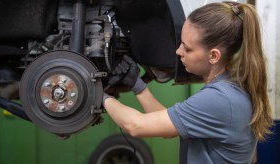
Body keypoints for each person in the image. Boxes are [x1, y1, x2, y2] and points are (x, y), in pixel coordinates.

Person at [103, 1, 273, 163]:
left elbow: (135, 126)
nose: (178, 51)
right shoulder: (230, 89)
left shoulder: (219, 99)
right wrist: (137, 85)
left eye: (187, 48)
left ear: (213, 56)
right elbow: (169, 127)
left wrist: (98, 94)